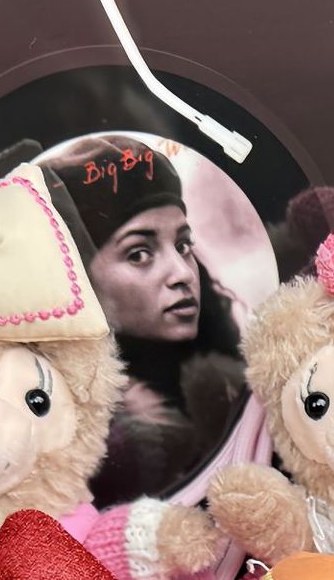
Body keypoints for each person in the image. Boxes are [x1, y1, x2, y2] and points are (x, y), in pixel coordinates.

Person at [42, 134, 248, 502]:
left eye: (182, 245)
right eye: (139, 253)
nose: (182, 273)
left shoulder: (231, 380)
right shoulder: (62, 427)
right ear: (77, 279)